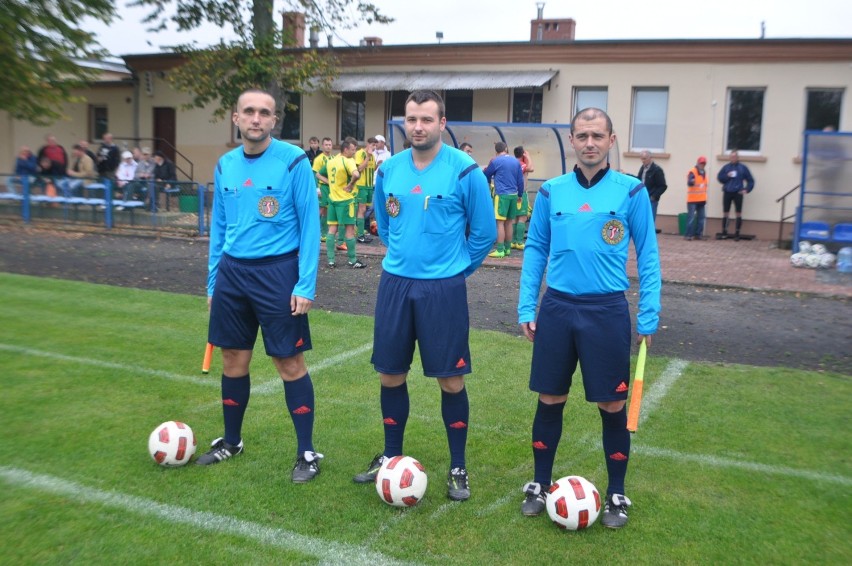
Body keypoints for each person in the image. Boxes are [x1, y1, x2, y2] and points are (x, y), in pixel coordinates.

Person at [517, 107, 661, 528]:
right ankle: (540, 484)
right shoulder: (550, 192)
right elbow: (535, 250)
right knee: (549, 398)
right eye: (582, 136)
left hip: (606, 311)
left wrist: (648, 315)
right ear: (572, 141)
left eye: (598, 135)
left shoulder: (631, 192)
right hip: (558, 309)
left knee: (611, 402)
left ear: (611, 141)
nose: (590, 143)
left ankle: (616, 493)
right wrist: (529, 306)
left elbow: (649, 259)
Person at [352, 90, 496, 501]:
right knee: (390, 373)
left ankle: (457, 466)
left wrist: (455, 270)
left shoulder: (464, 170)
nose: (418, 126)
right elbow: (383, 217)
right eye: (411, 119)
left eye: (426, 119)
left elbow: (484, 232)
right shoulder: (389, 170)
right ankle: (391, 458)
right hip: (395, 284)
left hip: (443, 290)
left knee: (450, 379)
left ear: (442, 123)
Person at [199, 88, 323, 483]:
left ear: (274, 121)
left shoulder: (293, 161)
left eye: (264, 113)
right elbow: (219, 228)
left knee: (289, 363)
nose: (256, 118)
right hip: (233, 274)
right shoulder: (225, 165)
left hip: (278, 274)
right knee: (233, 360)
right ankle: (231, 441)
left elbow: (310, 225)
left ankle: (307, 453)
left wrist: (305, 283)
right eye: (249, 111)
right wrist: (213, 281)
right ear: (235, 117)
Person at [323, 139, 366, 268]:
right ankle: (352, 260)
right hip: (346, 201)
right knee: (350, 230)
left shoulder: (331, 161)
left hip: (332, 200)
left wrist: (330, 183)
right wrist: (350, 184)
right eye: (353, 149)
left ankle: (331, 260)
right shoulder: (348, 161)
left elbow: (319, 174)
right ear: (346, 149)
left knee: (331, 230)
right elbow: (356, 174)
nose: (354, 152)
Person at [483, 141, 525, 258]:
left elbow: (486, 174)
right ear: (506, 149)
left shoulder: (495, 161)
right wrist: (520, 195)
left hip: (501, 195)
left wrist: (489, 181)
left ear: (496, 151)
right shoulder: (515, 162)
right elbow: (520, 180)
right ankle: (507, 249)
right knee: (509, 222)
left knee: (500, 223)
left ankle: (500, 250)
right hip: (514, 195)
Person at [716, 150, 755, 240]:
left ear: (737, 158)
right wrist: (727, 176)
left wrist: (747, 189)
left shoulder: (743, 168)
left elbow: (751, 180)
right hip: (727, 192)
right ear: (729, 158)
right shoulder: (726, 167)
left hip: (738, 192)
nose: (733, 158)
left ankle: (737, 233)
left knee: (738, 213)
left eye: (734, 157)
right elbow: (720, 178)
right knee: (726, 212)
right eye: (731, 157)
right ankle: (724, 232)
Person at [636, 150, 667, 232]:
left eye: (645, 159)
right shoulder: (642, 168)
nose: (643, 161)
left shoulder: (657, 170)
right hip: (642, 198)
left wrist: (654, 196)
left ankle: (649, 238)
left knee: (649, 221)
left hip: (651, 199)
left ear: (650, 158)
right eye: (641, 159)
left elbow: (663, 186)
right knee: (641, 219)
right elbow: (639, 181)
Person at [354, 137, 377, 243]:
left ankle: (361, 232)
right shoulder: (360, 153)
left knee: (365, 210)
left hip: (369, 186)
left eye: (375, 145)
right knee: (361, 210)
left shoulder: (373, 156)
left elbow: (371, 169)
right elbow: (359, 169)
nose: (374, 147)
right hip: (361, 185)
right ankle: (359, 235)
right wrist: (367, 156)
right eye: (372, 145)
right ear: (367, 144)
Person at [312, 137, 334, 241]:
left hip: (331, 188)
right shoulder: (318, 159)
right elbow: (315, 174)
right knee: (320, 210)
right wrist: (317, 189)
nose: (328, 146)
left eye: (330, 145)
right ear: (323, 145)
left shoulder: (333, 158)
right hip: (322, 187)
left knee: (326, 210)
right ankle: (313, 232)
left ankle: (324, 233)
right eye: (326, 145)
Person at [513, 145, 534, 250]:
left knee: (513, 217)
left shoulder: (511, 163)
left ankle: (512, 241)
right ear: (522, 155)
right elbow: (531, 168)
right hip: (521, 193)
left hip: (511, 193)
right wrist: (528, 156)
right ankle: (519, 242)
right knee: (522, 217)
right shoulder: (520, 164)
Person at [685, 156, 709, 240]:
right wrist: (691, 181)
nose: (702, 165)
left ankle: (698, 235)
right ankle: (688, 235)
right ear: (698, 163)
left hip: (702, 200)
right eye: (701, 163)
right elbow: (690, 182)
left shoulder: (704, 173)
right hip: (692, 199)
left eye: (704, 163)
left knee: (701, 218)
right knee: (691, 218)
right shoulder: (693, 172)